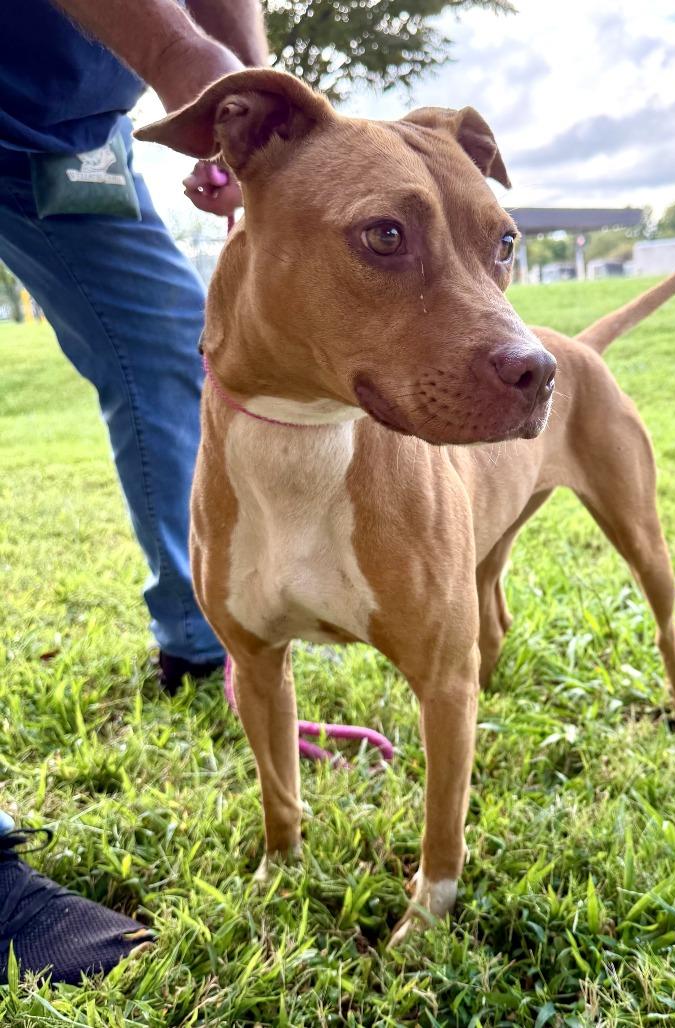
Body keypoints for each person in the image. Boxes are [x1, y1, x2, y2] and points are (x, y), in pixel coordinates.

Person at [0, 0, 268, 984]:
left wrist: (254, 115)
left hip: (63, 132)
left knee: (172, 346)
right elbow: (183, 39)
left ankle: (198, 639)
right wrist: (182, 59)